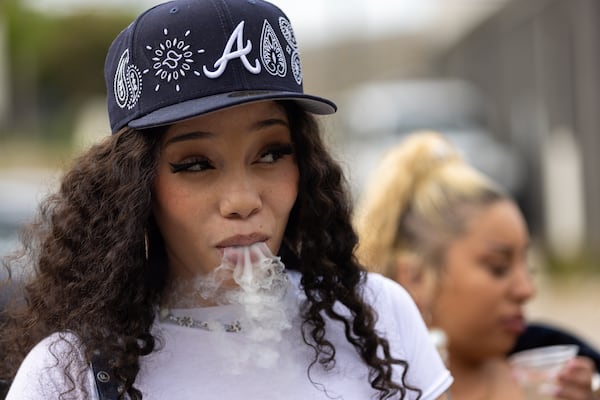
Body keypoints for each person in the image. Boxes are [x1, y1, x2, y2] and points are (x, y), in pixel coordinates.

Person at [0, 1, 453, 399]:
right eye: (195, 163)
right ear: (135, 187)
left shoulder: (375, 316)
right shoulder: (69, 375)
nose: (242, 200)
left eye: (271, 153)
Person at [353, 131, 599, 399]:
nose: (527, 289)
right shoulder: (361, 384)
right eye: (498, 267)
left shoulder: (560, 372)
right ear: (416, 277)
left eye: (528, 267)